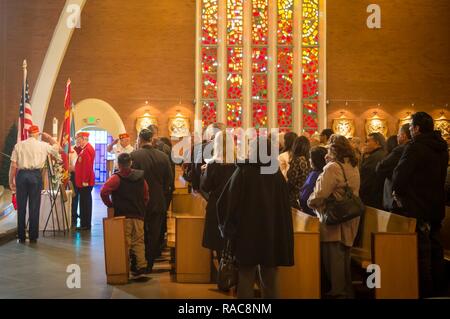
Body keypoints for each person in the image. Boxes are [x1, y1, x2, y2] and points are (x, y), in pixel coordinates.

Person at [217, 136, 294, 299]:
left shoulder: (244, 171)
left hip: (247, 232)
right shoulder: (276, 174)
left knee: (245, 276)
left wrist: (227, 228)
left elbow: (226, 202)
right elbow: (283, 207)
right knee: (270, 277)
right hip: (271, 232)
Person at [392, 112, 449, 297]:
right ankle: (440, 290)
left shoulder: (415, 147)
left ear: (416, 128)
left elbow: (400, 175)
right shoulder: (442, 147)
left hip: (417, 206)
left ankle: (425, 291)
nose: (409, 130)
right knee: (436, 250)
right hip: (436, 206)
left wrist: (398, 193)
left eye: (410, 127)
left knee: (421, 253)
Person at [308, 136, 361, 299]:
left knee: (333, 261)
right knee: (344, 258)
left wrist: (310, 202)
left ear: (335, 151)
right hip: (350, 218)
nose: (326, 154)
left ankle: (339, 294)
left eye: (329, 150)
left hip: (334, 221)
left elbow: (319, 195)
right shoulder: (353, 165)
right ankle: (346, 293)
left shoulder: (332, 168)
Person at [131, 129, 173, 273]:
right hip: (158, 199)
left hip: (139, 201)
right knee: (154, 233)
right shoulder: (163, 157)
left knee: (139, 233)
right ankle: (149, 263)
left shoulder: (134, 156)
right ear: (151, 139)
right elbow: (169, 180)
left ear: (140, 139)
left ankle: (138, 262)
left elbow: (130, 178)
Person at [8, 125, 60, 243]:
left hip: (21, 176)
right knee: (34, 206)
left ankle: (21, 235)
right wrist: (49, 137)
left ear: (28, 134)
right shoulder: (43, 145)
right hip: (35, 176)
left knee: (21, 207)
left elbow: (13, 166)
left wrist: (11, 181)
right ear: (37, 134)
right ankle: (33, 236)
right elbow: (58, 148)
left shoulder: (19, 145)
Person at [100, 153, 149, 277]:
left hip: (123, 216)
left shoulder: (116, 178)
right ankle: (141, 267)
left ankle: (123, 268)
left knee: (125, 243)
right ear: (131, 163)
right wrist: (142, 206)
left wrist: (110, 205)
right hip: (138, 214)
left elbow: (104, 191)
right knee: (139, 241)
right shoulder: (140, 177)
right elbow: (146, 195)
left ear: (119, 164)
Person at [200, 131, 236, 261]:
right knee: (232, 241)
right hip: (233, 205)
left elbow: (205, 186)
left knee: (218, 242)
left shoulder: (213, 164)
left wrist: (204, 173)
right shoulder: (238, 163)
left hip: (216, 205)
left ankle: (222, 271)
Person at [376, 124, 411, 211]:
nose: (397, 136)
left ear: (404, 136)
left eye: (399, 133)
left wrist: (393, 175)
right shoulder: (415, 148)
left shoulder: (400, 149)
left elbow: (380, 167)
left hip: (396, 195)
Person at [74, 132, 95, 231]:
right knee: (84, 202)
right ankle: (84, 223)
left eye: (79, 139)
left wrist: (85, 180)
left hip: (85, 182)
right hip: (83, 181)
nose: (78, 141)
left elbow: (87, 167)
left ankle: (85, 224)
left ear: (84, 139)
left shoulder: (87, 150)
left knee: (85, 203)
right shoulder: (85, 149)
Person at [359, 132, 386, 209]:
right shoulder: (383, 153)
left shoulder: (374, 157)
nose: (365, 144)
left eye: (368, 141)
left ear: (377, 142)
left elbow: (365, 177)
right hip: (379, 196)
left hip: (371, 197)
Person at [299, 146, 327, 216]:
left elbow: (304, 197)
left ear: (315, 160)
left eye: (310, 158)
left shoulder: (314, 175)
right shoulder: (326, 172)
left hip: (310, 213)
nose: (309, 160)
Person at [286, 136, 311, 209]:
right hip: (304, 194)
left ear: (296, 146)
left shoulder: (297, 160)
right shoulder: (307, 160)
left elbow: (292, 181)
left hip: (294, 197)